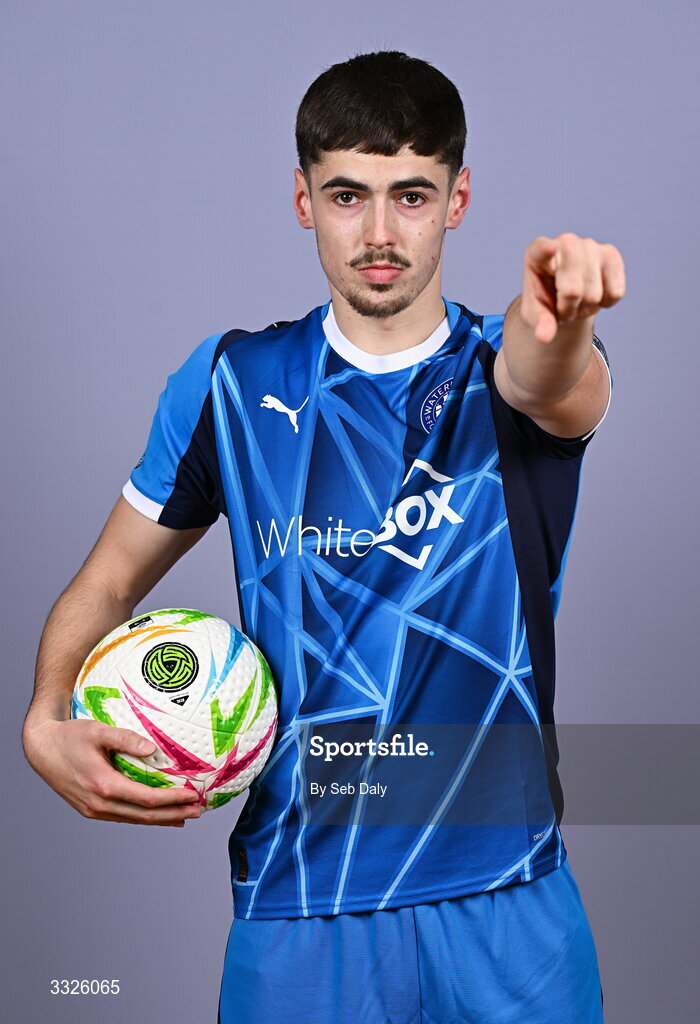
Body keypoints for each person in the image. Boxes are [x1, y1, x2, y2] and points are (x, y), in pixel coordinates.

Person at [22, 50, 624, 1024]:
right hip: (300, 907)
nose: (380, 233)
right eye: (348, 194)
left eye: (411, 196)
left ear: (458, 198)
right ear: (302, 198)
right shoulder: (225, 384)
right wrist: (46, 711)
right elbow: (103, 586)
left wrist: (562, 323)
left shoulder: (501, 373)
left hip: (507, 898)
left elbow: (550, 373)